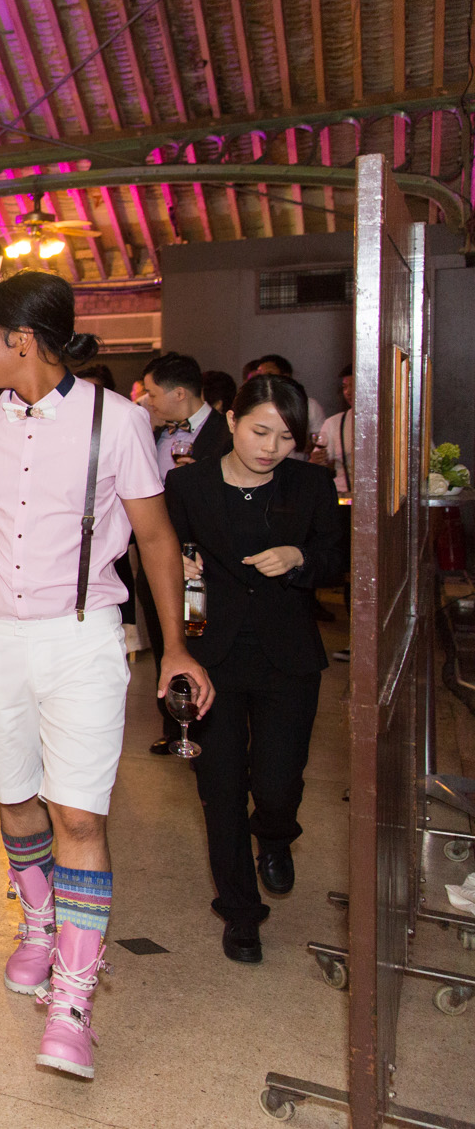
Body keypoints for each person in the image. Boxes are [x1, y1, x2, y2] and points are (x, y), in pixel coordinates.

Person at [0, 271, 212, 1081]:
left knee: (79, 815)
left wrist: (177, 646)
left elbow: (155, 538)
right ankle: (39, 926)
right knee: (16, 800)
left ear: (23, 339)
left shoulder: (118, 420)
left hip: (82, 639)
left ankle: (74, 1002)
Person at [165, 374, 345, 963]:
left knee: (277, 782)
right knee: (220, 790)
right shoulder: (188, 484)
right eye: (260, 431)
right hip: (212, 656)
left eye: (286, 437)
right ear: (232, 420)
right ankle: (241, 913)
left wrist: (299, 558)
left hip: (286, 657)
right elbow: (170, 559)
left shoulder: (311, 484)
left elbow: (335, 559)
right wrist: (180, 583)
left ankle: (275, 833)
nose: (271, 448)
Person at [137, 351, 233, 754]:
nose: (148, 401)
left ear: (179, 393)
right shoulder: (152, 432)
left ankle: (207, 729)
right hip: (156, 554)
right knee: (166, 639)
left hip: (203, 561)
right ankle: (174, 725)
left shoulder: (226, 434)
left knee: (203, 643)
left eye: (152, 393)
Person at [248, 354, 326, 455]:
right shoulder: (253, 405)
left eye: (269, 373)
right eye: (260, 375)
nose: (264, 379)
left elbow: (319, 440)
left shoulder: (309, 405)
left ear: (285, 376)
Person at [317, 364, 357, 495]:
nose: (348, 392)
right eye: (345, 387)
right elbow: (318, 461)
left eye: (354, 385)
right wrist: (317, 460)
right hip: (344, 495)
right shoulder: (335, 423)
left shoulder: (391, 421)